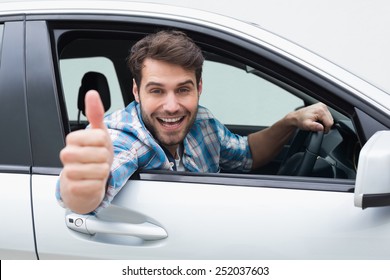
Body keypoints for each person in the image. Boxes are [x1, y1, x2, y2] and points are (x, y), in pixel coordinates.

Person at [57, 30, 333, 214]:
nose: (172, 105)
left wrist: (290, 121)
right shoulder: (125, 138)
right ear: (135, 92)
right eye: (156, 90)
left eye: (183, 89)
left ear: (198, 87)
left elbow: (247, 154)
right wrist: (82, 186)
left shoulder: (202, 122)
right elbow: (80, 198)